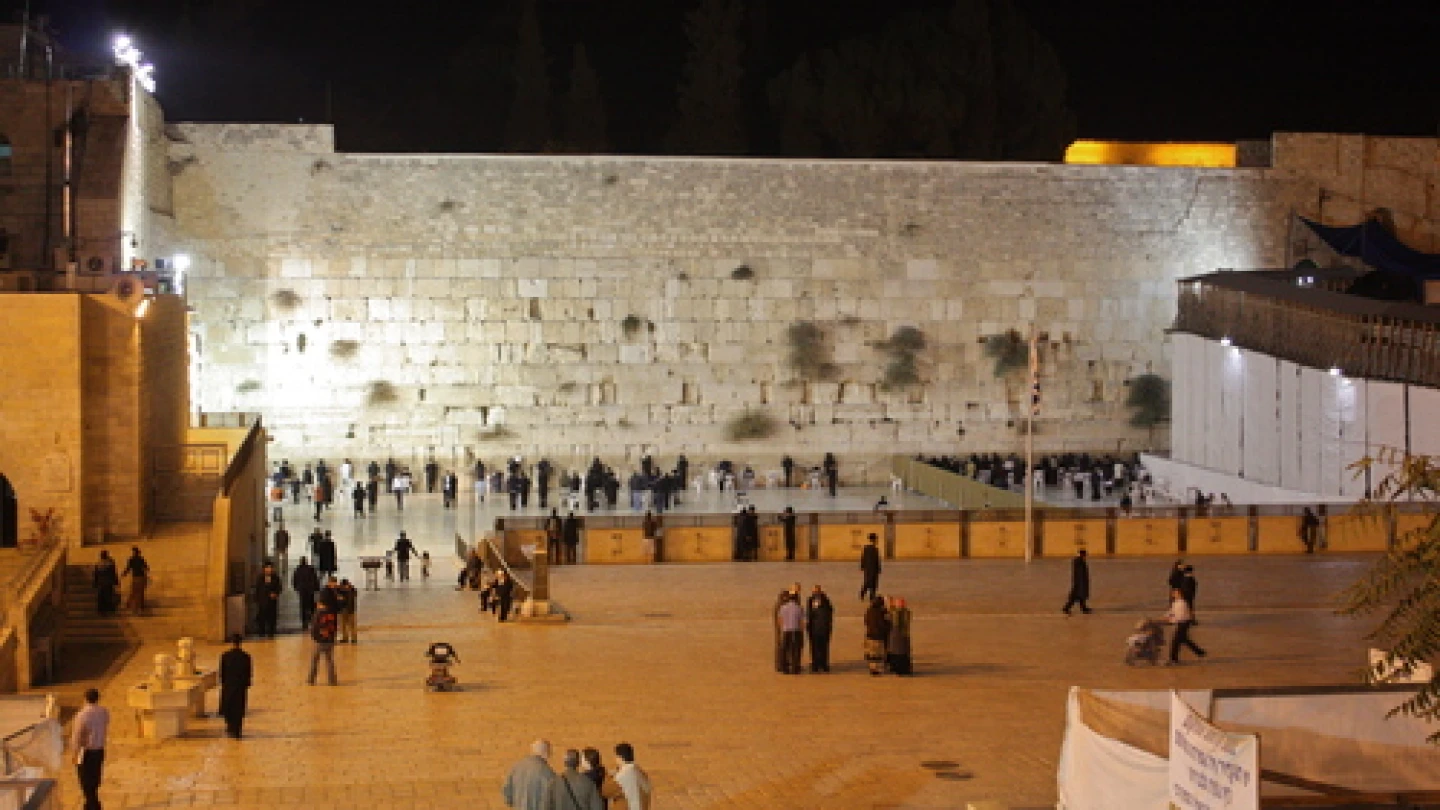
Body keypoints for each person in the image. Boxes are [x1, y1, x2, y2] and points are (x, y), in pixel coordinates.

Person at [71, 688, 110, 810]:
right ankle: (90, 804)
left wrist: (74, 752)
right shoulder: (104, 712)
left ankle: (93, 805)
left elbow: (77, 736)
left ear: (85, 698)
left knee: (85, 779)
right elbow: (106, 723)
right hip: (99, 750)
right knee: (95, 778)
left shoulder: (82, 715)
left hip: (86, 751)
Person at [503, 739, 556, 810]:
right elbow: (554, 796)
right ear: (545, 753)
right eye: (549, 752)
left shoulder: (517, 767)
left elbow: (507, 792)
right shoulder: (546, 771)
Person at [218, 635, 252, 738]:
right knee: (238, 708)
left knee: (229, 706)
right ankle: (237, 729)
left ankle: (230, 727)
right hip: (240, 687)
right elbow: (248, 673)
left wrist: (223, 683)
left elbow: (222, 673)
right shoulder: (246, 657)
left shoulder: (225, 656)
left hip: (229, 685)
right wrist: (246, 684)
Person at [1165, 587, 1206, 665]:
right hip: (1182, 622)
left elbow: (1180, 617)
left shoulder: (1182, 603)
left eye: (1175, 592)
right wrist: (1163, 618)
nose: (1173, 593)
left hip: (1184, 623)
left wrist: (1170, 620)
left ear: (1180, 594)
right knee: (1184, 640)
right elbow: (1170, 613)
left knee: (1175, 641)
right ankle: (1200, 652)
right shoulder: (1175, 603)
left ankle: (1173, 659)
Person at [604, 743, 652, 810]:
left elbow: (606, 791)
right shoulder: (641, 773)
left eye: (616, 757)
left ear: (620, 757)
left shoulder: (624, 774)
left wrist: (607, 775)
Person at [307, 596, 339, 685]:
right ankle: (332, 680)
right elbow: (335, 627)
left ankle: (311, 680)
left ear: (319, 604)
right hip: (330, 640)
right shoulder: (332, 613)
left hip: (320, 641)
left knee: (315, 660)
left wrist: (315, 637)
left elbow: (315, 627)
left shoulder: (318, 614)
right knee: (330, 661)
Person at [806, 584, 834, 673]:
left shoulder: (812, 600)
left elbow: (809, 614)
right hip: (824, 628)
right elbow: (831, 611)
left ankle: (817, 665)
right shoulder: (826, 600)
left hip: (816, 628)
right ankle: (823, 665)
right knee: (823, 647)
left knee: (815, 647)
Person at [778, 592, 805, 674]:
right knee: (796, 650)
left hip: (786, 631)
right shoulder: (799, 608)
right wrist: (801, 631)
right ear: (796, 599)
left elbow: (780, 620)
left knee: (785, 649)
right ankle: (795, 668)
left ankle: (784, 668)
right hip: (796, 631)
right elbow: (802, 622)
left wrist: (783, 628)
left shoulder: (783, 607)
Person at [253, 562, 283, 638]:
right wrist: (257, 599)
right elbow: (257, 589)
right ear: (264, 569)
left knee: (272, 617)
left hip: (272, 601)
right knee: (262, 617)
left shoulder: (275, 578)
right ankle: (261, 632)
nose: (269, 569)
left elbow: (279, 588)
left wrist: (275, 593)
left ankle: (271, 632)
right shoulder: (260, 578)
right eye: (267, 568)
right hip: (262, 601)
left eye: (270, 568)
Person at [864, 596, 891, 676]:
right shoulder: (880, 612)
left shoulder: (869, 611)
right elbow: (883, 624)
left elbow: (866, 621)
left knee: (872, 653)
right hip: (878, 635)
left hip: (870, 635)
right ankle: (876, 669)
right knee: (878, 654)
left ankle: (872, 668)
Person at [886, 597, 913, 675]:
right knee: (902, 653)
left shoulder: (898, 613)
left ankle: (898, 669)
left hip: (898, 636)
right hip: (902, 637)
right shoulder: (905, 613)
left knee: (898, 653)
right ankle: (901, 669)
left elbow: (895, 622)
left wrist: (890, 607)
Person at [292, 556, 320, 629]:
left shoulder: (298, 570)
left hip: (302, 591)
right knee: (311, 605)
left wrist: (296, 588)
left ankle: (304, 622)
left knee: (303, 606)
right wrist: (316, 588)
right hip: (310, 590)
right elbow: (315, 579)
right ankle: (312, 619)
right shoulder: (310, 569)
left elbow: (295, 580)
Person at [1062, 549, 1092, 615]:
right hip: (1079, 582)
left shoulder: (1080, 560)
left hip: (1081, 581)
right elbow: (1079, 573)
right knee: (1074, 596)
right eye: (1084, 554)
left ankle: (1083, 608)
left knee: (1082, 595)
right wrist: (1081, 582)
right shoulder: (1078, 561)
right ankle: (1066, 608)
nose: (1085, 556)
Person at [122, 546, 150, 614]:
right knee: (140, 593)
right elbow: (146, 568)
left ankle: (133, 607)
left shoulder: (131, 559)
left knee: (134, 592)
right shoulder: (140, 559)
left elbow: (128, 568)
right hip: (140, 577)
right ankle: (139, 607)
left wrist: (124, 574)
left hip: (135, 577)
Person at [93, 551, 120, 616]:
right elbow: (113, 574)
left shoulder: (98, 564)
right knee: (108, 596)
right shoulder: (110, 564)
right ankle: (108, 610)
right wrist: (116, 582)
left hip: (101, 583)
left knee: (101, 597)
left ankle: (101, 611)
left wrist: (95, 583)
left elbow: (96, 575)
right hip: (108, 583)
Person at [859, 534, 882, 601]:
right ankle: (866, 594)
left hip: (869, 568)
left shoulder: (866, 549)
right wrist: (879, 568)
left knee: (869, 582)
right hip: (872, 568)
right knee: (871, 582)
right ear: (874, 540)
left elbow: (863, 558)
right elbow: (877, 560)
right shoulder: (874, 549)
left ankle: (867, 595)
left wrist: (862, 566)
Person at [336, 578, 358, 643]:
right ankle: (347, 638)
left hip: (348, 610)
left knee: (350, 625)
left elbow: (342, 600)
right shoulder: (341, 590)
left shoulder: (350, 590)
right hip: (347, 610)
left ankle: (351, 638)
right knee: (344, 625)